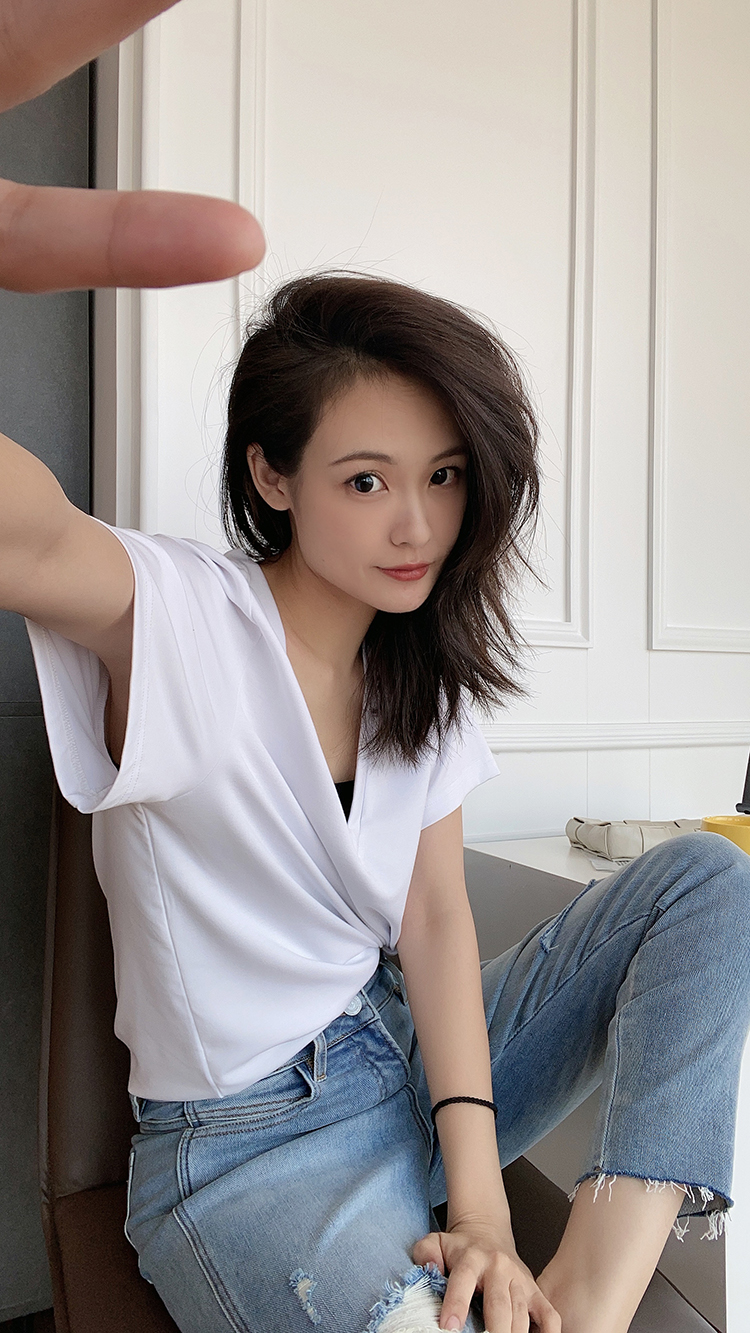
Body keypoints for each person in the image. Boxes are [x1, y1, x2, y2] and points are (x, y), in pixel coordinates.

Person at [1, 6, 750, 1333]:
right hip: (245, 1150)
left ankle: (590, 1294)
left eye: (445, 476)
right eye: (365, 480)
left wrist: (480, 1196)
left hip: (398, 1063)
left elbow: (438, 923)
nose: (418, 526)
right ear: (271, 474)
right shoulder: (177, 617)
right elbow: (29, 534)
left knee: (706, 879)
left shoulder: (421, 674)